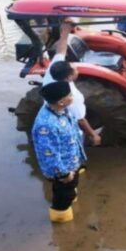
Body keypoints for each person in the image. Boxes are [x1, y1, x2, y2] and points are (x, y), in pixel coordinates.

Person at [32, 81, 87, 223]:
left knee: (70, 187)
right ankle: (60, 217)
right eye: (70, 95)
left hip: (72, 160)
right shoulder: (46, 125)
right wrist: (64, 174)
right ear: (62, 101)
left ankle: (70, 197)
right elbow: (49, 154)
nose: (72, 97)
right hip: (62, 169)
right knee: (63, 195)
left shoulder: (62, 109)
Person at [42, 20, 102, 147]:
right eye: (75, 70)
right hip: (67, 124)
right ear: (69, 77)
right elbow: (80, 120)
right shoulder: (71, 97)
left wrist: (65, 31)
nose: (77, 69)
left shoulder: (54, 68)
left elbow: (60, 51)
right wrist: (93, 135)